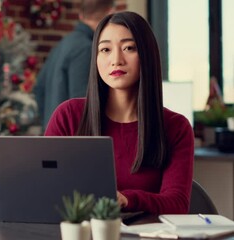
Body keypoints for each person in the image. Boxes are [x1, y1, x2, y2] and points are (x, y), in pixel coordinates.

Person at [45, 11, 194, 214]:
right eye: (105, 49)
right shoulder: (68, 115)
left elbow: (176, 204)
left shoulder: (176, 127)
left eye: (129, 48)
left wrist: (126, 199)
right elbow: (45, 189)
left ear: (147, 55)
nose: (116, 60)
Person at [34, 0, 114, 130]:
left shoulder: (62, 44)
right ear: (110, 13)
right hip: (73, 138)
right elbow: (82, 101)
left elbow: (39, 88)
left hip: (55, 134)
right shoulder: (86, 48)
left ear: (81, 15)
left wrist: (49, 125)